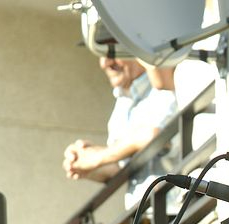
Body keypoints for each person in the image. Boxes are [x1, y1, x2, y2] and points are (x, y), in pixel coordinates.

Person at [62, 56, 177, 211]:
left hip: (179, 208)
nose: (104, 63)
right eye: (100, 54)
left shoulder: (163, 82)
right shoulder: (122, 103)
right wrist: (84, 164)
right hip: (143, 217)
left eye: (112, 52)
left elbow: (155, 134)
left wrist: (100, 156)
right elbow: (120, 166)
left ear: (135, 48)